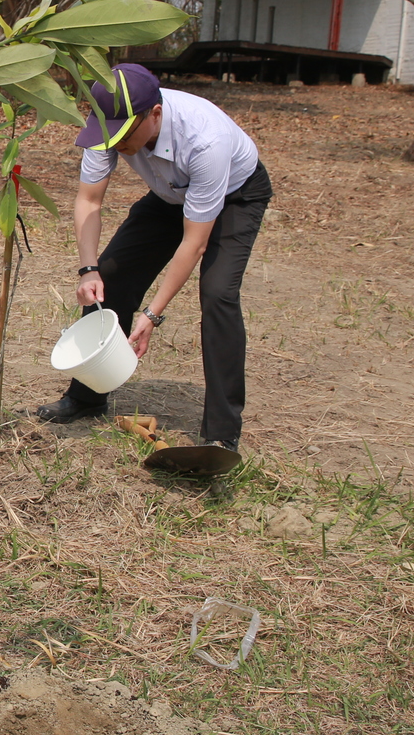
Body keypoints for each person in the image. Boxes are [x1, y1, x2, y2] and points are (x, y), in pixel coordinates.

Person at [35, 63, 273, 451]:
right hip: (169, 195)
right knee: (111, 275)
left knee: (217, 294)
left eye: (123, 135)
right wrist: (87, 269)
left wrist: (152, 314)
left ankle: (221, 433)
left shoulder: (204, 139)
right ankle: (86, 397)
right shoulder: (107, 128)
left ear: (155, 114)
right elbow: (88, 199)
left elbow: (194, 244)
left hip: (235, 197)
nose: (114, 144)